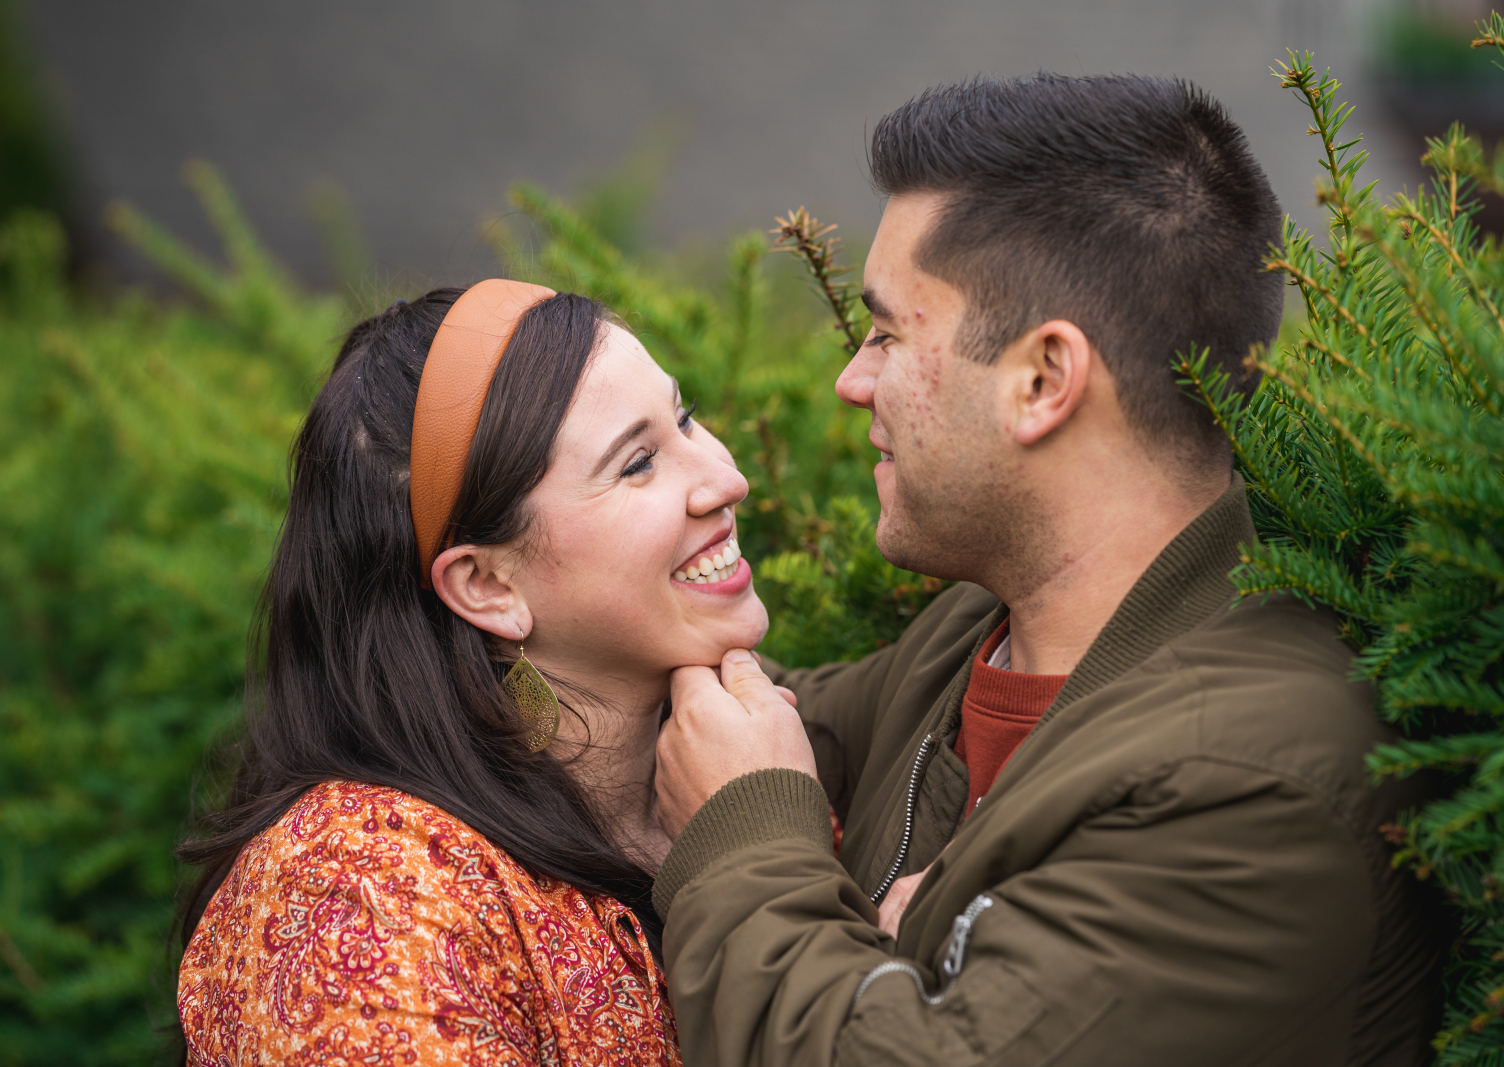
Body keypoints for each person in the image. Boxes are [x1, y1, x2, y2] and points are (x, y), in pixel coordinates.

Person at [652, 75, 1438, 1065]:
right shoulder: (975, 631)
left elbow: (750, 797)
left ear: (1041, 380)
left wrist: (749, 841)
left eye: (889, 332)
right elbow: (732, 733)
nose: (852, 378)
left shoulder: (1251, 779)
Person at [175, 281, 764, 1064]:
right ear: (489, 586)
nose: (726, 477)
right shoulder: (365, 895)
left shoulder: (747, 759)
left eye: (684, 416)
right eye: (640, 462)